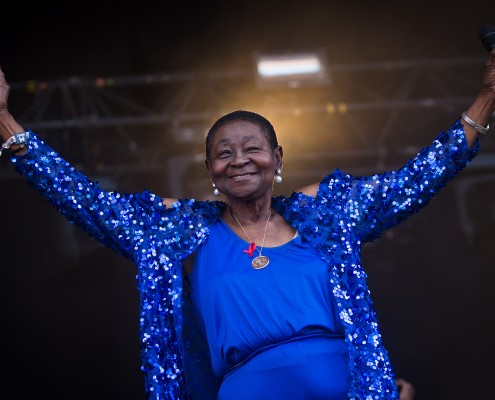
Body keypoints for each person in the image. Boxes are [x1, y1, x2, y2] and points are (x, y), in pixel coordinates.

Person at [1, 44, 494, 400]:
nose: (239, 160)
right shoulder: (179, 234)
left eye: (253, 148)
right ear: (210, 171)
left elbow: (418, 178)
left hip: (347, 387)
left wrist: (485, 98)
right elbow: (83, 199)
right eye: (223, 153)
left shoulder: (324, 212)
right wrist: (5, 121)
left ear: (277, 158)